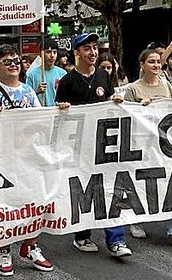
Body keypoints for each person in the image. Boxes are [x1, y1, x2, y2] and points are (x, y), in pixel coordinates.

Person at [0, 45, 56, 276]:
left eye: (17, 61)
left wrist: (60, 111)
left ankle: (30, 245)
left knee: (35, 201)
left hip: (27, 156)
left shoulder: (28, 91)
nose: (13, 65)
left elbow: (40, 120)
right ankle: (5, 249)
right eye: (8, 61)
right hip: (1, 158)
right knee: (5, 206)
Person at [56, 33, 131, 257]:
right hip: (79, 146)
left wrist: (114, 103)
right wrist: (63, 108)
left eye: (95, 48)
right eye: (87, 48)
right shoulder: (68, 81)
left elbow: (108, 102)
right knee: (84, 189)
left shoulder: (102, 75)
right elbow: (58, 113)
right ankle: (82, 234)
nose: (93, 52)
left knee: (111, 187)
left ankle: (116, 239)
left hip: (103, 143)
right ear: (77, 53)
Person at [123, 49, 172, 249]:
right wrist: (140, 107)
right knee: (142, 181)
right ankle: (135, 219)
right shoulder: (132, 89)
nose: (157, 65)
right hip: (143, 145)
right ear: (142, 65)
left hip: (165, 145)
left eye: (158, 62)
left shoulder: (166, 85)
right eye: (151, 62)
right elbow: (126, 117)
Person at [25, 40, 67, 106]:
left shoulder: (63, 73)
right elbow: (26, 99)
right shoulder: (32, 75)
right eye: (48, 52)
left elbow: (68, 97)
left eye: (54, 52)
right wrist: (37, 92)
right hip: (40, 113)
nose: (52, 55)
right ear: (40, 53)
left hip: (58, 112)